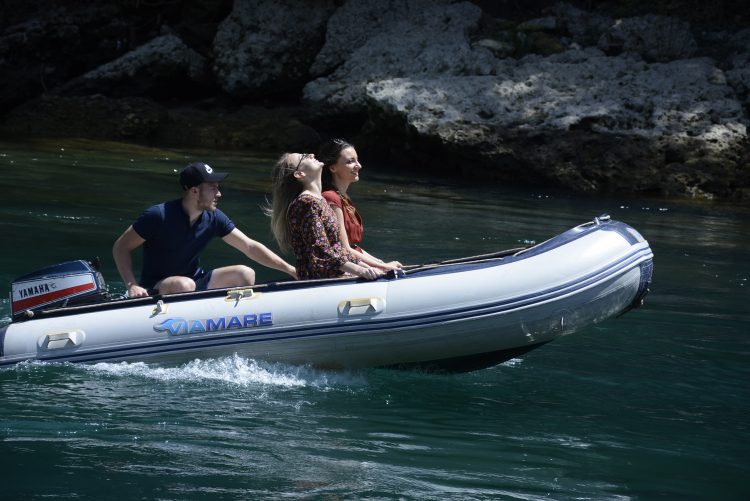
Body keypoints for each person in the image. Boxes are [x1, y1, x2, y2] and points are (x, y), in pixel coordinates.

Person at [113, 161, 297, 297]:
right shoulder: (158, 215)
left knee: (245, 273)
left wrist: (290, 270)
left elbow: (249, 247)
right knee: (184, 285)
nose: (219, 193)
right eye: (213, 188)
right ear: (194, 191)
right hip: (158, 286)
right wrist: (132, 285)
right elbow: (121, 247)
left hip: (195, 281)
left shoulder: (213, 217)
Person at [267, 152, 384, 281]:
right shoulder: (306, 203)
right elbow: (321, 251)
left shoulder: (319, 200)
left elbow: (337, 248)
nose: (311, 154)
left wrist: (375, 267)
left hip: (333, 274)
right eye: (304, 157)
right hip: (320, 279)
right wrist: (361, 271)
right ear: (299, 174)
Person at [318, 138, 402, 271]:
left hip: (355, 260)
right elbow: (344, 249)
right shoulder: (330, 198)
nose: (359, 165)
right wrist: (383, 266)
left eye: (357, 160)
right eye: (351, 161)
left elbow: (353, 247)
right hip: (343, 268)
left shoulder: (343, 196)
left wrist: (380, 262)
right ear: (333, 167)